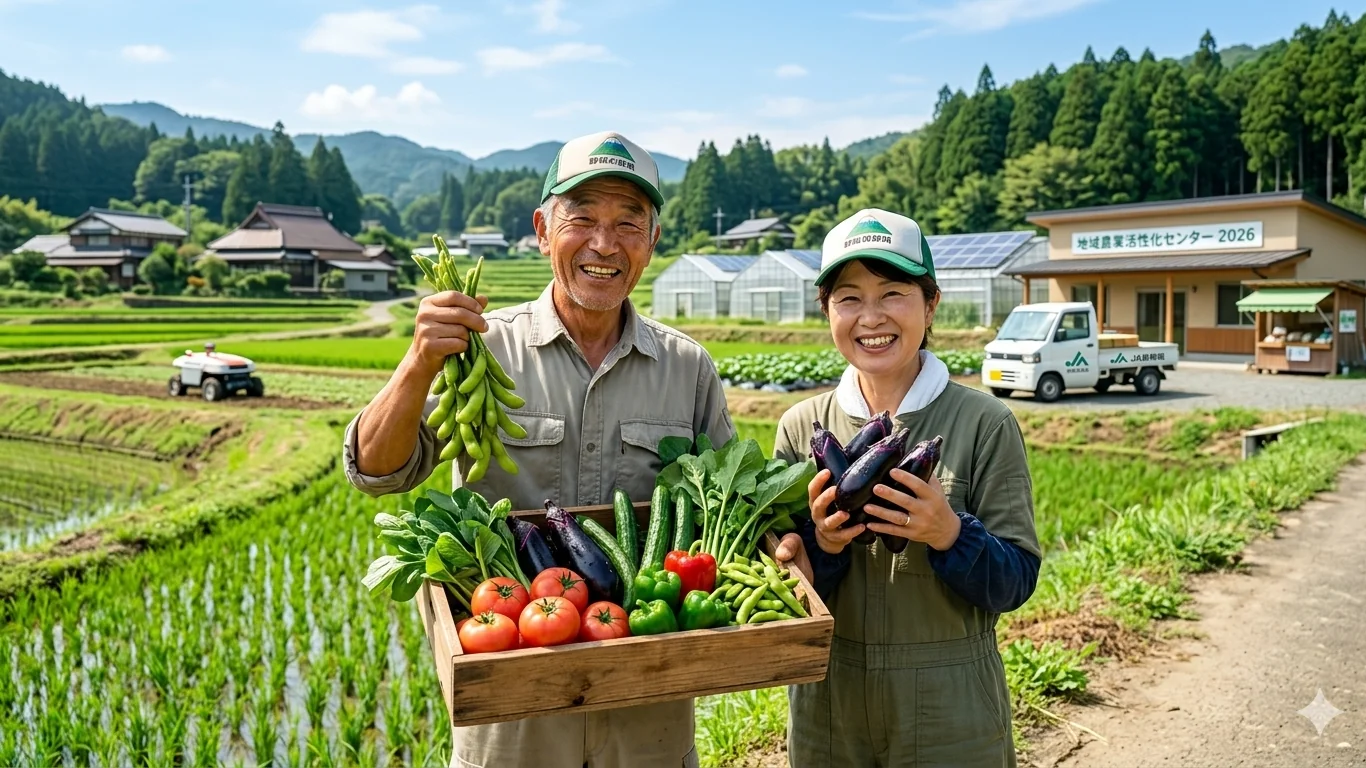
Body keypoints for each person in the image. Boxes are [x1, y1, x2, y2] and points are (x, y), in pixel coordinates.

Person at [343, 131, 734, 768]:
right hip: (512, 699)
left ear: (653, 239)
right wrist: (417, 362)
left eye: (628, 222)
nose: (605, 244)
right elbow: (380, 474)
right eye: (582, 218)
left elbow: (724, 506)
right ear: (542, 230)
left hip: (647, 703)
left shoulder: (686, 366)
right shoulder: (480, 349)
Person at [771, 208, 1041, 767]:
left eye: (893, 292)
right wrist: (821, 544)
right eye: (848, 298)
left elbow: (1015, 580)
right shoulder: (801, 428)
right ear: (826, 310)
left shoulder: (985, 423)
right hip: (829, 707)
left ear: (930, 302)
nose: (871, 317)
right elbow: (783, 583)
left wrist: (949, 534)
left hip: (952, 706)